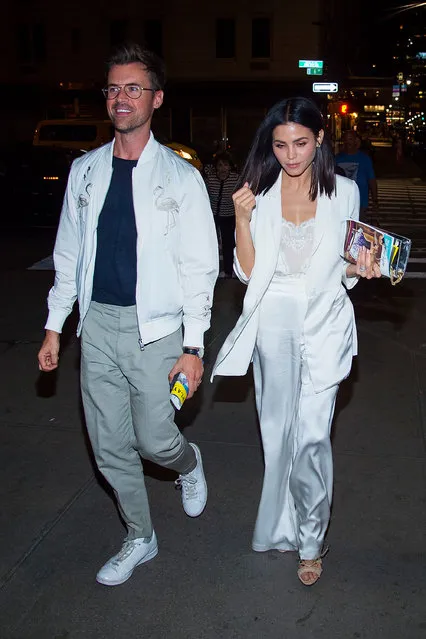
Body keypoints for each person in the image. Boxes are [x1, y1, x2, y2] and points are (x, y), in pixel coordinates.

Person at [37, 43, 219, 586]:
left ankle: (188, 463)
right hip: (95, 328)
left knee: (156, 440)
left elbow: (199, 268)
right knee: (109, 446)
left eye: (133, 88)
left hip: (157, 331)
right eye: (114, 88)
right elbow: (68, 256)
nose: (121, 98)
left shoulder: (180, 178)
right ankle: (141, 536)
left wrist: (194, 346)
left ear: (156, 99)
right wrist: (54, 326)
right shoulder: (84, 172)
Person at [211, 97, 380, 586]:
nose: (290, 154)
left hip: (325, 322)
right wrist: (242, 220)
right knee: (278, 433)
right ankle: (279, 526)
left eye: (301, 143)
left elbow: (347, 262)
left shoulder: (345, 192)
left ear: (320, 140)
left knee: (311, 435)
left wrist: (362, 266)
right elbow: (245, 271)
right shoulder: (257, 195)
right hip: (273, 326)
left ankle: (310, 539)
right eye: (280, 144)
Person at [204, 152, 240, 278]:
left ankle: (229, 271)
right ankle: (212, 269)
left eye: (225, 165)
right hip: (212, 215)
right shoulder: (210, 179)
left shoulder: (235, 179)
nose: (223, 168)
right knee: (211, 242)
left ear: (230, 167)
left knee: (228, 243)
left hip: (229, 215)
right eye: (220, 165)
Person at [335, 130, 378, 219]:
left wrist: (375, 201)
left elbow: (372, 180)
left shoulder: (365, 159)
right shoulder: (337, 159)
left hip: (360, 204)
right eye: (345, 140)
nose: (347, 142)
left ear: (356, 141)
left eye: (350, 139)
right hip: (340, 204)